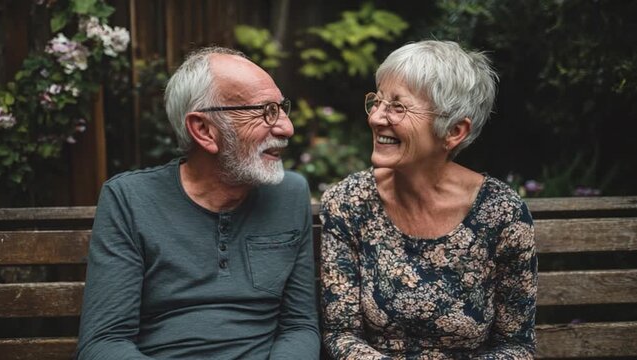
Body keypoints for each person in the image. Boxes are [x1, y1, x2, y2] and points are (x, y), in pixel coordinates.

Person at [77, 47, 320, 359]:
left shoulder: (289, 193)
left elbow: (298, 325)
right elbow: (104, 343)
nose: (287, 127)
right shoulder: (129, 200)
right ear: (204, 130)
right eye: (265, 111)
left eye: (281, 108)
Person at [319, 40, 537, 359]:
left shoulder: (502, 214)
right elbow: (341, 333)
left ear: (454, 131)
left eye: (397, 106)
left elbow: (516, 345)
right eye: (377, 102)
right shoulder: (349, 202)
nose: (377, 118)